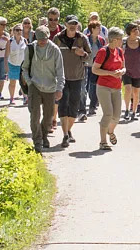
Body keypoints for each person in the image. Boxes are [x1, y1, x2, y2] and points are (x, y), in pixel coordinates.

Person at [21, 26, 64, 153]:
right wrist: (29, 83)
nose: (42, 42)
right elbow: (24, 68)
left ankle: (44, 136)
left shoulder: (54, 50)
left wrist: (59, 88)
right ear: (36, 38)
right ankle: (37, 141)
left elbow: (60, 71)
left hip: (50, 87)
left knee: (48, 117)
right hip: (35, 85)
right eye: (40, 39)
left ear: (48, 37)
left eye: (44, 39)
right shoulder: (30, 49)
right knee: (35, 115)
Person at [55, 14, 91, 147]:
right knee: (63, 105)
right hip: (61, 77)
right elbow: (52, 55)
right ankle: (65, 135)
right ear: (65, 24)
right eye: (70, 23)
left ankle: (69, 130)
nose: (73, 26)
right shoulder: (58, 38)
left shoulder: (82, 38)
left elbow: (90, 56)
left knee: (74, 106)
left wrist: (83, 55)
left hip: (77, 77)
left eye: (75, 24)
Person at [92, 27, 126, 150]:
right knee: (108, 113)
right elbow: (94, 69)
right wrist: (110, 73)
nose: (122, 41)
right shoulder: (103, 51)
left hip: (116, 87)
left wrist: (121, 71)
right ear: (114, 39)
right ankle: (103, 142)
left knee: (116, 116)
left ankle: (110, 131)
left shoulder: (120, 51)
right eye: (120, 39)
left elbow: (124, 67)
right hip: (103, 87)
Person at [121, 22, 140, 121]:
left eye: (137, 30)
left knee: (136, 92)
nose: (136, 32)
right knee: (128, 89)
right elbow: (119, 53)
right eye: (134, 30)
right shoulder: (124, 42)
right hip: (126, 69)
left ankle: (134, 111)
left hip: (138, 70)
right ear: (129, 32)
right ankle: (127, 110)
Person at [82, 20, 107, 119]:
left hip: (97, 66)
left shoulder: (101, 40)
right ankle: (86, 105)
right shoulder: (86, 39)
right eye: (98, 28)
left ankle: (92, 106)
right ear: (92, 29)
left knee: (94, 86)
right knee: (86, 87)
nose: (100, 30)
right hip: (86, 65)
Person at [4, 23, 28, 106]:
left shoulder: (24, 41)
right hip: (12, 64)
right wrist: (6, 68)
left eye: (20, 30)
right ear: (13, 31)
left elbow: (27, 53)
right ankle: (11, 98)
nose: (19, 32)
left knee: (23, 82)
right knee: (12, 83)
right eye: (17, 30)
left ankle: (25, 97)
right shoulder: (10, 41)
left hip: (22, 65)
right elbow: (6, 55)